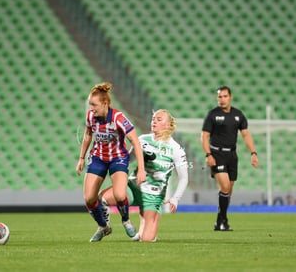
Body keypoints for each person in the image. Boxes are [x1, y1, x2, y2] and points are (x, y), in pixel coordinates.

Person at [99, 109, 189, 242]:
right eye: (153, 118)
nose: (154, 121)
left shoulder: (176, 148)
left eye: (159, 119)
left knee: (146, 240)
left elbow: (184, 177)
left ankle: (147, 216)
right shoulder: (141, 139)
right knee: (101, 198)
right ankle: (106, 227)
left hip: (152, 197)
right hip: (134, 188)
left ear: (169, 124)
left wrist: (176, 198)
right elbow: (128, 160)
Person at [75, 82, 146, 242]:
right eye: (89, 104)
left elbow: (135, 141)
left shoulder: (118, 118)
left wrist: (141, 169)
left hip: (118, 158)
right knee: (89, 199)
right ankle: (103, 227)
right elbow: (88, 134)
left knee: (120, 195)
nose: (91, 108)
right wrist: (81, 158)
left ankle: (126, 220)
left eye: (94, 105)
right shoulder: (90, 116)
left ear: (105, 103)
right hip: (98, 158)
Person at [201, 86, 258, 231]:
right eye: (219, 96)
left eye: (225, 96)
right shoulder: (212, 115)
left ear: (230, 97)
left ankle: (222, 220)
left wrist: (253, 153)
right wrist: (208, 154)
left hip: (232, 155)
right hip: (216, 154)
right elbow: (205, 136)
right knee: (225, 187)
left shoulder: (238, 115)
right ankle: (221, 222)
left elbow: (246, 134)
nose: (222, 99)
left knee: (229, 190)